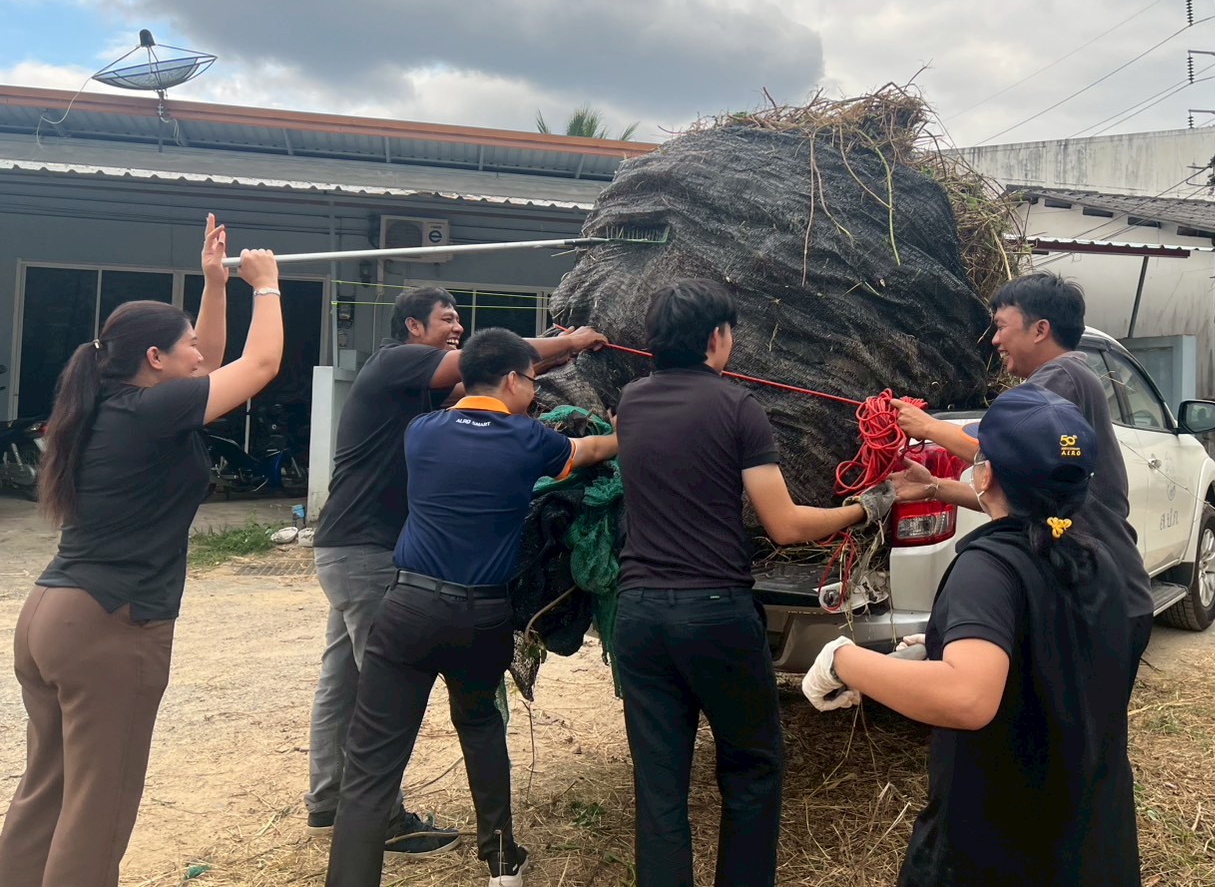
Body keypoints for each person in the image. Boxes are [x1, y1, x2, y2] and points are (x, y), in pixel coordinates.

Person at [0, 216, 283, 887]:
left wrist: (215, 285)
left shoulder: (111, 405)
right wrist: (266, 289)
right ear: (155, 359)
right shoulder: (151, 414)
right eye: (184, 344)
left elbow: (211, 363)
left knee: (50, 791)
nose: (197, 355)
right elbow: (260, 364)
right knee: (99, 808)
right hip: (110, 624)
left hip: (52, 613)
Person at [612, 278, 893, 887]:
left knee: (659, 786)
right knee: (751, 767)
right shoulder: (736, 407)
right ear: (717, 337)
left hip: (636, 616)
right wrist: (869, 505)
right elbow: (786, 525)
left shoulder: (630, 403)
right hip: (713, 613)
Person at [305, 286, 604, 854]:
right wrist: (575, 343)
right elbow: (482, 369)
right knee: (382, 706)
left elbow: (485, 386)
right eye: (446, 318)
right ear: (413, 328)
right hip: (370, 551)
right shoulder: (394, 361)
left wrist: (547, 360)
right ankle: (381, 817)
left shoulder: (423, 408)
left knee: (342, 679)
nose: (457, 326)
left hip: (349, 546)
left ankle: (327, 798)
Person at [803, 385, 1140, 885]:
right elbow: (1054, 649)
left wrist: (842, 661)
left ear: (984, 474)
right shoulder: (1101, 559)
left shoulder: (988, 569)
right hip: (1093, 842)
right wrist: (940, 645)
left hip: (999, 848)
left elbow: (968, 697)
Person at [890, 271, 1156, 682]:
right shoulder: (1062, 383)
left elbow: (999, 452)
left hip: (1098, 594)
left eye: (1000, 327)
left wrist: (926, 428)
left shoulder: (1058, 380)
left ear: (1040, 329)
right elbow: (1013, 492)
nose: (994, 341)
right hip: (1097, 591)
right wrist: (934, 487)